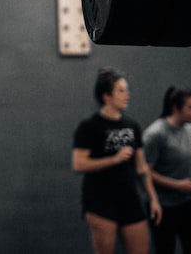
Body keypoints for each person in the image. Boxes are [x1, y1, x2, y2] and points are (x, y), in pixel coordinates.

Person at [72, 68, 161, 254]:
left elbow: (142, 168)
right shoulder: (89, 127)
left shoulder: (132, 126)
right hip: (101, 200)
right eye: (121, 91)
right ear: (106, 96)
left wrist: (153, 199)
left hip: (129, 198)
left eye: (126, 90)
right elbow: (79, 164)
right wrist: (114, 159)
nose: (127, 95)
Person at [143, 87, 191, 254]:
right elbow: (145, 171)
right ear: (176, 108)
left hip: (190, 203)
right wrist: (176, 185)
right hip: (164, 206)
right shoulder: (155, 134)